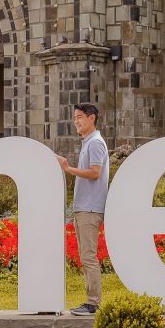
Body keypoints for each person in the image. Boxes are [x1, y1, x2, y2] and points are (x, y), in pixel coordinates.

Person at [55, 103, 110, 316]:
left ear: (92, 118)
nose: (76, 121)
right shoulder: (88, 142)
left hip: (90, 208)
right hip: (83, 208)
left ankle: (94, 303)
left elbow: (95, 173)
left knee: (88, 256)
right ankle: (91, 301)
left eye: (79, 117)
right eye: (75, 117)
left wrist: (68, 169)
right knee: (86, 255)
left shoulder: (95, 143)